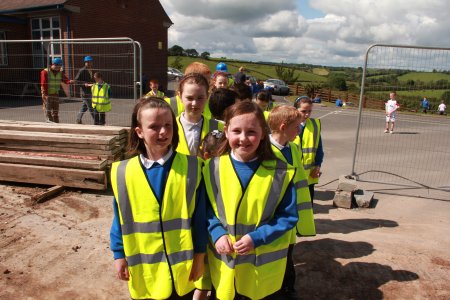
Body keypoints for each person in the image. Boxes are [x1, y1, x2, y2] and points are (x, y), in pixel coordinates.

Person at [109, 97, 207, 300]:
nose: (163, 132)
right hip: (145, 270)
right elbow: (120, 218)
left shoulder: (193, 167)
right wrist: (119, 254)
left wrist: (199, 256)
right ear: (139, 132)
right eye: (154, 127)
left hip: (182, 270)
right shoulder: (122, 172)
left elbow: (200, 218)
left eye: (168, 125)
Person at [204, 101, 298, 300]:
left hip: (261, 273)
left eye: (251, 132)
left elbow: (288, 217)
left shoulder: (281, 172)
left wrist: (256, 238)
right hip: (224, 267)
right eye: (236, 131)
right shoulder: (211, 168)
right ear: (226, 131)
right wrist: (217, 232)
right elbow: (206, 209)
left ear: (263, 133)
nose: (243, 138)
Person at [268, 105, 316, 300]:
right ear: (282, 126)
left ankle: (287, 289)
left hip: (291, 217)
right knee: (276, 258)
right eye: (297, 126)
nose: (300, 130)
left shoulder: (294, 148)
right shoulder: (266, 151)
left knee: (288, 254)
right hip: (274, 218)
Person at [176, 73, 223, 157]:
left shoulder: (219, 127)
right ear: (180, 96)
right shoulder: (170, 127)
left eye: (200, 98)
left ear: (207, 96)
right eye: (189, 98)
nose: (195, 103)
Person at [294, 96, 324, 204]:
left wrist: (318, 165)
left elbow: (319, 148)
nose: (306, 114)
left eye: (309, 111)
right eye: (303, 111)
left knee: (307, 204)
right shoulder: (290, 125)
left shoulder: (315, 125)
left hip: (308, 175)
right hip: (293, 175)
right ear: (295, 110)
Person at [40, 57, 74, 123]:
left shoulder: (59, 73)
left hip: (55, 94)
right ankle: (50, 124)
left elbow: (65, 80)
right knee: (48, 111)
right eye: (58, 66)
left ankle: (56, 124)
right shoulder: (45, 72)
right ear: (53, 64)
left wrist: (70, 82)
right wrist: (45, 94)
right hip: (47, 94)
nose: (59, 68)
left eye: (60, 66)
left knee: (55, 112)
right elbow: (43, 84)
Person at [75, 56, 95, 124]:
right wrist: (84, 84)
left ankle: (78, 119)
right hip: (85, 92)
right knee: (91, 107)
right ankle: (97, 121)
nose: (89, 63)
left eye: (90, 62)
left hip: (91, 91)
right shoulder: (82, 70)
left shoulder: (92, 70)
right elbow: (76, 81)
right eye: (87, 62)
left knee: (85, 107)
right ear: (85, 62)